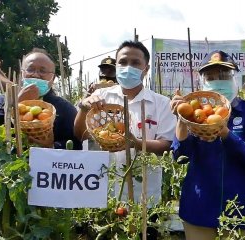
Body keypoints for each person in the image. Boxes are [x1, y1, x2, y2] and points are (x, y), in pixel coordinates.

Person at [74, 40, 176, 238]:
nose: (128, 67)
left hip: (145, 197)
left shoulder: (161, 104)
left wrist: (136, 144)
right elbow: (81, 135)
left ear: (145, 69)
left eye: (135, 63)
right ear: (116, 66)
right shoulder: (100, 97)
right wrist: (83, 108)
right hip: (103, 194)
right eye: (123, 62)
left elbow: (167, 145)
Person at [170, 50, 245, 240]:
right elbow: (180, 156)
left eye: (223, 75)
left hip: (240, 213)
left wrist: (226, 134)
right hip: (198, 210)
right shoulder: (195, 114)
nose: (217, 81)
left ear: (234, 79)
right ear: (202, 82)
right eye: (211, 77)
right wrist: (182, 120)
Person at [0, 48, 82, 150]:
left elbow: (76, 143)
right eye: (30, 69)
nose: (36, 74)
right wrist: (15, 103)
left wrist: (52, 146)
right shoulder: (5, 98)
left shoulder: (64, 108)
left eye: (42, 70)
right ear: (22, 74)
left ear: (52, 78)